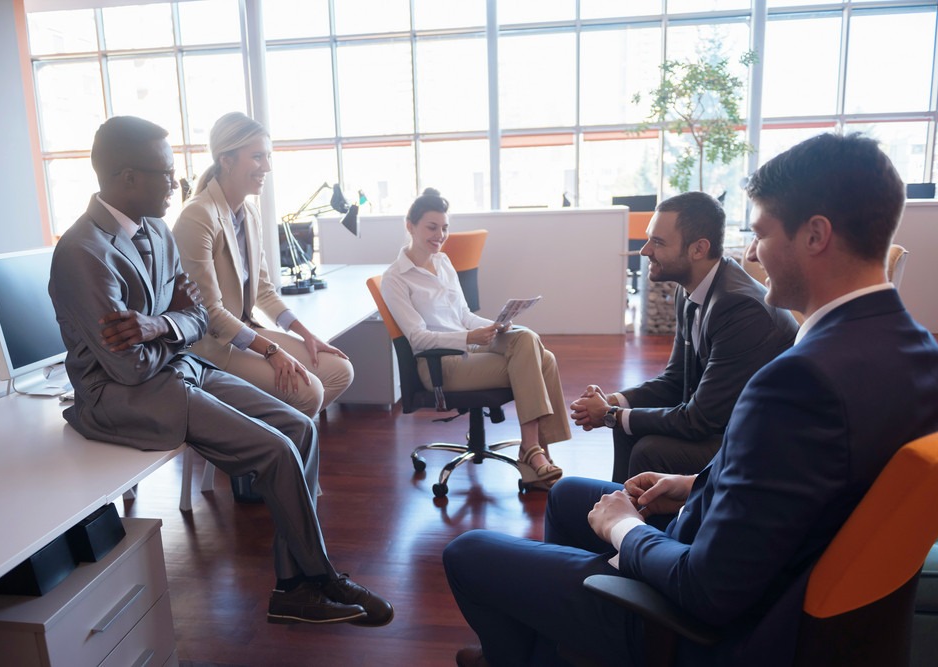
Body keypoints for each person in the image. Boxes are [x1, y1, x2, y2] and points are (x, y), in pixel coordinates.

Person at [443, 132, 938, 666]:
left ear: (815, 236)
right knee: (570, 494)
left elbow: (707, 590)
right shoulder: (921, 354)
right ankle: (554, 647)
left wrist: (626, 528)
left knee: (469, 552)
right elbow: (807, 483)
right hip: (764, 570)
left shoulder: (801, 384)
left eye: (760, 233)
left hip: (705, 626)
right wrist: (693, 484)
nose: (751, 252)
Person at [49, 116, 392, 627]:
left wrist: (158, 325)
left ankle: (295, 585)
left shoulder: (157, 230)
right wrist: (173, 327)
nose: (178, 182)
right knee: (276, 450)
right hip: (125, 395)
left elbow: (194, 315)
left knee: (298, 426)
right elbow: (129, 363)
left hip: (176, 368)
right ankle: (317, 579)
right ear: (126, 178)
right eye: (165, 173)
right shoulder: (82, 252)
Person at [570, 192, 799, 483]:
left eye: (658, 242)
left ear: (698, 249)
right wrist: (613, 402)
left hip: (760, 446)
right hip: (726, 424)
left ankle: (639, 521)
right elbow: (675, 379)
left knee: (649, 449)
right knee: (631, 428)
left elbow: (700, 420)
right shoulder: (691, 287)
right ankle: (619, 513)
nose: (645, 250)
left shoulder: (740, 308)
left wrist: (610, 414)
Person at [380, 188, 570, 490]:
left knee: (528, 340)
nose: (439, 235)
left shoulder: (442, 263)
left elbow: (464, 314)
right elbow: (417, 339)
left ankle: (535, 451)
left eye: (444, 228)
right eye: (431, 227)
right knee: (539, 359)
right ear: (410, 225)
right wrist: (471, 336)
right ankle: (534, 454)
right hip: (440, 365)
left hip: (468, 347)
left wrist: (494, 326)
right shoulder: (395, 278)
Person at [174, 112, 352, 420]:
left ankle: (265, 446)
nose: (267, 167)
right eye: (257, 157)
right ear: (226, 160)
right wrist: (271, 351)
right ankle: (264, 453)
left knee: (339, 371)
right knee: (309, 391)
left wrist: (305, 333)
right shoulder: (197, 216)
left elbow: (265, 292)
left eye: (267, 156)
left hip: (246, 330)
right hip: (212, 345)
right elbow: (209, 313)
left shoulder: (250, 214)